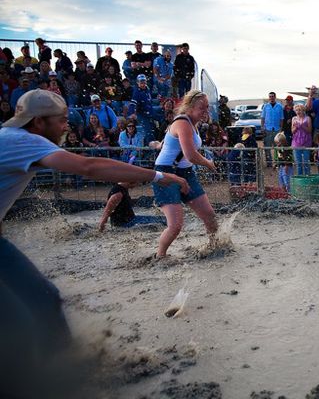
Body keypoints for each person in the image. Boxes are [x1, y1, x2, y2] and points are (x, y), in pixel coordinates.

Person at [0, 90, 188, 398]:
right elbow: (89, 167)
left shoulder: (12, 138)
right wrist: (157, 176)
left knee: (45, 300)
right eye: (61, 121)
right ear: (37, 122)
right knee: (19, 322)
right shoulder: (22, 141)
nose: (66, 127)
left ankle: (63, 372)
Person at [152, 89, 218, 258]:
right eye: (202, 108)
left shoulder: (191, 124)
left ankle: (215, 246)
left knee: (209, 216)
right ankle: (160, 256)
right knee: (175, 225)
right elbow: (190, 154)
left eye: (207, 107)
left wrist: (159, 145)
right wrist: (208, 163)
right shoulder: (182, 123)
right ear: (189, 106)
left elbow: (169, 145)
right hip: (166, 173)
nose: (205, 111)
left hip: (186, 172)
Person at [98, 182, 166, 231]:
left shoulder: (123, 188)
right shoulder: (117, 194)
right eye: (137, 182)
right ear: (131, 181)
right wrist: (101, 229)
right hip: (125, 224)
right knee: (161, 222)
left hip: (132, 219)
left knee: (162, 219)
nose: (137, 185)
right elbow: (106, 213)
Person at [260, 91, 283, 167]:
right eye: (270, 96)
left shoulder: (279, 106)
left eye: (273, 96)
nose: (271, 98)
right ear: (269, 97)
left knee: (278, 147)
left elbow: (281, 118)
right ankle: (269, 163)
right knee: (267, 147)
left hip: (277, 129)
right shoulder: (266, 106)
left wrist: (280, 129)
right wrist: (262, 127)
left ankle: (278, 162)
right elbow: (262, 117)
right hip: (268, 129)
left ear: (275, 97)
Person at [290, 103, 313, 175]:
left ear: (303, 110)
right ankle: (300, 178)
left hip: (306, 141)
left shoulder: (308, 118)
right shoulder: (294, 118)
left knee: (306, 162)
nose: (298, 112)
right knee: (298, 163)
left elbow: (309, 130)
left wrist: (302, 126)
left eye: (299, 110)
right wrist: (296, 127)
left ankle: (307, 177)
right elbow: (292, 131)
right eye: (296, 110)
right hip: (296, 142)